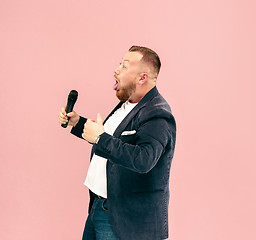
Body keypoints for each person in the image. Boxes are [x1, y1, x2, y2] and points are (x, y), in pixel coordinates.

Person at [58, 46, 176, 240]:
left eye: (124, 65)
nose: (116, 69)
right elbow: (112, 140)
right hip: (99, 206)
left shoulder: (157, 113)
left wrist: (100, 138)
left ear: (142, 78)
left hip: (125, 220)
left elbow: (144, 159)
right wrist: (78, 123)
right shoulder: (128, 103)